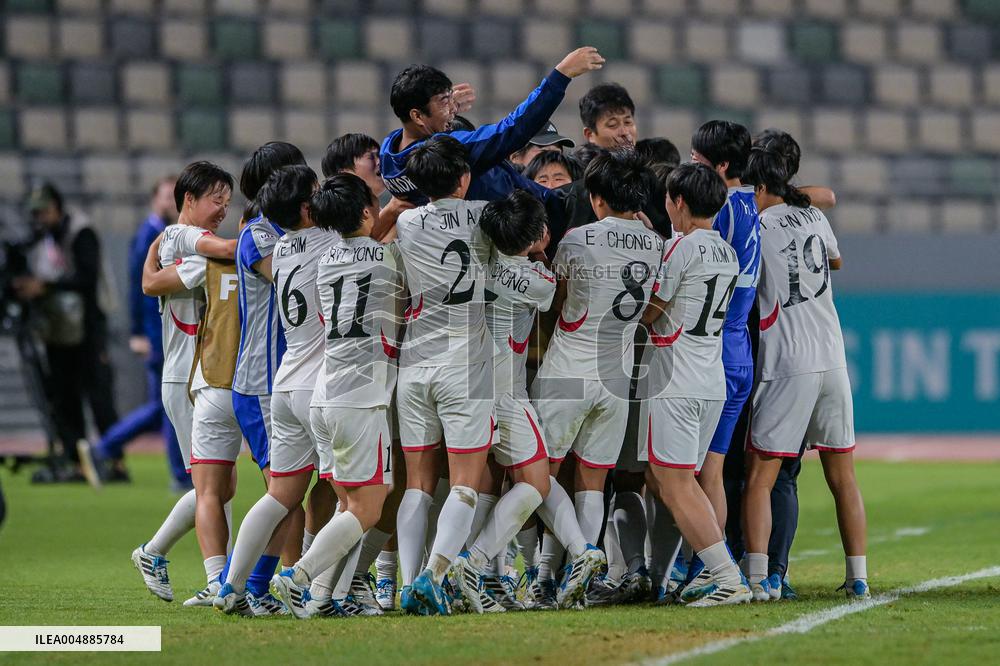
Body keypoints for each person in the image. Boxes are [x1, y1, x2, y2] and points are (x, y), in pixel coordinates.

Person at [449, 190, 605, 613]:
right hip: (503, 389)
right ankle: (474, 563)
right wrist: (541, 251)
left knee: (485, 482)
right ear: (537, 233)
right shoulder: (538, 280)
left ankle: (573, 553)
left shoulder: (480, 257)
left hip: (467, 378)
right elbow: (557, 296)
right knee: (533, 482)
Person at [529, 151, 663, 606]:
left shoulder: (577, 239)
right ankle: (579, 580)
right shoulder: (657, 245)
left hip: (568, 370)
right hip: (616, 378)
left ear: (597, 197)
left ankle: (569, 559)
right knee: (593, 479)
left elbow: (553, 302)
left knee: (538, 475)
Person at [741, 133, 869, 601]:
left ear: (756, 185)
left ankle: (759, 577)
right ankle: (859, 576)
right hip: (832, 358)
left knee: (761, 473)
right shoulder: (814, 215)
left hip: (788, 360)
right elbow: (835, 260)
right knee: (843, 476)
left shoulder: (756, 225)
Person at [270, 173, 404, 619]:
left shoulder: (327, 261)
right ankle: (299, 577)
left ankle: (326, 598)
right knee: (367, 506)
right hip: (360, 397)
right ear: (367, 211)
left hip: (327, 392)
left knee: (354, 501)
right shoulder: (388, 260)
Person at [217, 164, 341, 616]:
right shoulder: (332, 241)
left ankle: (230, 587)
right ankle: (318, 593)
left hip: (285, 381)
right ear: (308, 207)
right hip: (320, 385)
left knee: (280, 495)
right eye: (318, 191)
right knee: (353, 497)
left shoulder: (284, 246)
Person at [638, 162, 751, 607]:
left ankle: (725, 577)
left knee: (677, 482)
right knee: (667, 478)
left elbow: (652, 310)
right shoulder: (726, 250)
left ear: (678, 201)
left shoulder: (679, 248)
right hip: (709, 379)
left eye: (668, 197)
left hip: (677, 381)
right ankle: (689, 572)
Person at [130, 162, 237, 604]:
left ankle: (208, 571)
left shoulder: (189, 248)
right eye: (216, 200)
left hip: (201, 374)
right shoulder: (181, 237)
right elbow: (230, 249)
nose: (222, 211)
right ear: (188, 199)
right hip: (184, 377)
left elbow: (153, 282)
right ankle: (207, 574)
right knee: (212, 486)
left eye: (228, 204)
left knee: (220, 484)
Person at [379, 47, 604, 205]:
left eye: (449, 99)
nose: (450, 109)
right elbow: (512, 128)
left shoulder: (389, 155)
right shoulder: (449, 151)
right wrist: (560, 76)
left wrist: (444, 107)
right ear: (418, 116)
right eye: (443, 102)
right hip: (535, 217)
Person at [79, 176, 188, 488]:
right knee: (167, 404)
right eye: (167, 197)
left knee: (164, 405)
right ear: (155, 200)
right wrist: (138, 332)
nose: (171, 202)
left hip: (165, 332)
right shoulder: (149, 236)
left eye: (175, 197)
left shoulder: (165, 234)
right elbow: (138, 288)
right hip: (158, 335)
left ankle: (103, 449)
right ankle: (178, 475)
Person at [13, 183, 119, 482]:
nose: (40, 218)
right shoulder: (42, 238)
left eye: (44, 211)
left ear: (58, 208)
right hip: (57, 328)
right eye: (36, 213)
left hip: (88, 326)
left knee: (98, 394)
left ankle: (115, 460)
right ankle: (76, 460)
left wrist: (44, 286)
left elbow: (87, 278)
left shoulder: (81, 231)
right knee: (64, 397)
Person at [509, 122, 576, 167]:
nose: (552, 159)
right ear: (516, 158)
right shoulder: (501, 186)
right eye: (544, 152)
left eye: (556, 153)